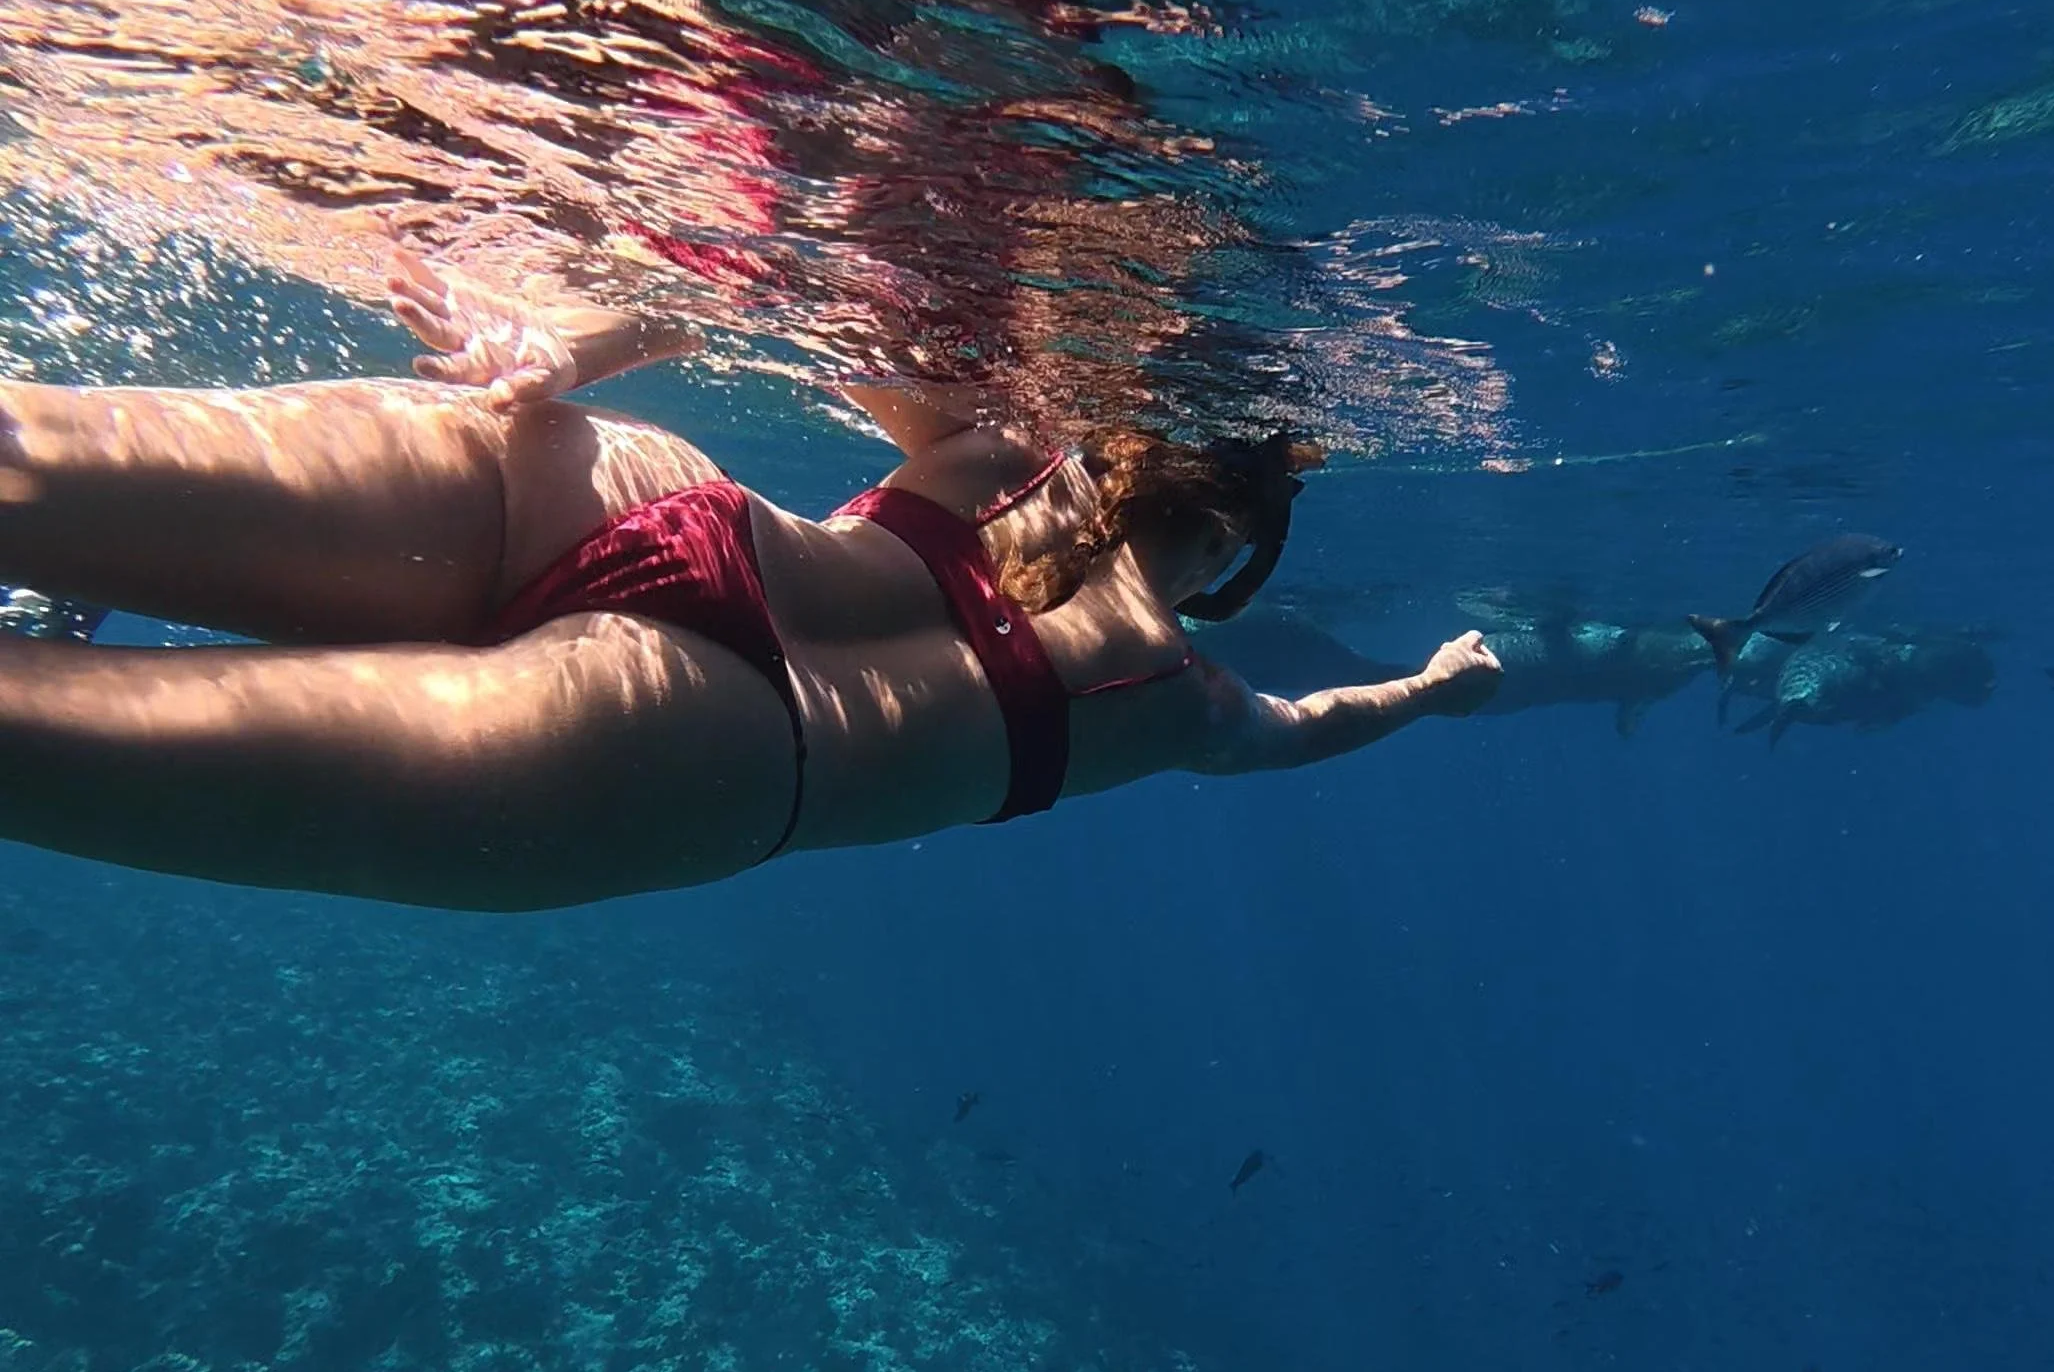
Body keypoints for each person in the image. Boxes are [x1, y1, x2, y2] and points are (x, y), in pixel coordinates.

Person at [0, 257, 1499, 906]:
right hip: (708, 751)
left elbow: (753, 287)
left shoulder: (1010, 451)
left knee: (29, 454)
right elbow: (1319, 724)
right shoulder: (1178, 694)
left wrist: (572, 349)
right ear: (1237, 545)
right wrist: (1436, 689)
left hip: (647, 498)